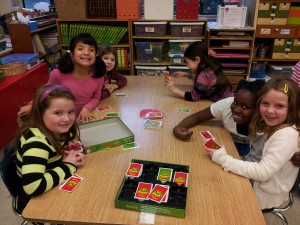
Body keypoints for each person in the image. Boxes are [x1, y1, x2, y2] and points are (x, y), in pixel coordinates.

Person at [205, 76, 300, 210]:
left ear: (292, 108)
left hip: (261, 195)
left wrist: (222, 158)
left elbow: (262, 172)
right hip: (258, 181)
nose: (269, 110)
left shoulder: (286, 136)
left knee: (211, 193)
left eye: (279, 106)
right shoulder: (274, 123)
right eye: (265, 103)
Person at [15, 84, 85, 214]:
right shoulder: (36, 143)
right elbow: (32, 187)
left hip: (52, 176)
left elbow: (75, 144)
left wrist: (77, 151)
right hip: (34, 199)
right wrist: (69, 164)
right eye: (58, 113)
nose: (67, 119)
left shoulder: (61, 128)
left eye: (71, 112)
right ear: (41, 113)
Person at [18, 33, 106, 122]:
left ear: (95, 56)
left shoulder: (98, 76)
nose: (86, 53)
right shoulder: (57, 74)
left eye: (91, 50)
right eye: (80, 49)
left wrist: (87, 108)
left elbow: (96, 98)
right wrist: (32, 105)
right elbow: (45, 92)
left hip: (82, 119)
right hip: (61, 120)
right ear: (72, 54)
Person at [173, 79, 266, 156]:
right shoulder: (226, 104)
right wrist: (177, 128)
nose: (236, 109)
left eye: (245, 107)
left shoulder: (267, 122)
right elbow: (197, 117)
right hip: (228, 141)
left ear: (260, 109)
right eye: (235, 102)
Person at [165, 41, 233, 102]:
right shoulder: (209, 66)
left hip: (225, 105)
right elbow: (203, 84)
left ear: (197, 60)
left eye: (188, 62)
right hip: (229, 99)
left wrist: (173, 89)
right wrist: (186, 74)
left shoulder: (203, 76)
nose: (187, 66)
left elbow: (193, 97)